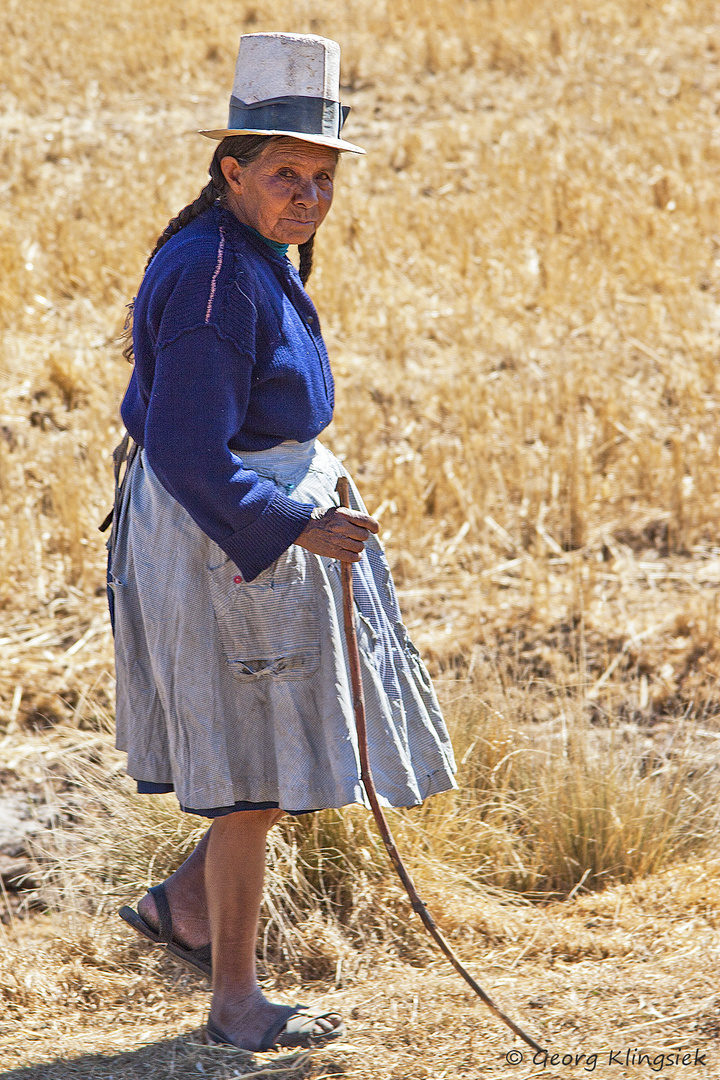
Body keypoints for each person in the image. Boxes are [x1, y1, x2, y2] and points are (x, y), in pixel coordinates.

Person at [110, 32, 457, 1052]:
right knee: (254, 779)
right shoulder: (215, 280)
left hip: (240, 525)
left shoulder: (246, 253)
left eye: (321, 177)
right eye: (284, 175)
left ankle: (183, 905)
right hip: (223, 538)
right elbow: (183, 445)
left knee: (273, 755)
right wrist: (294, 523)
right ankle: (233, 1006)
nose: (307, 195)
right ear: (232, 172)